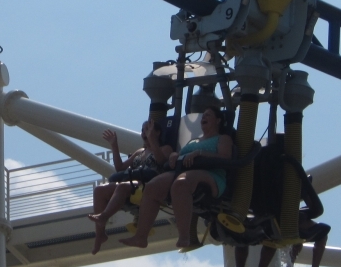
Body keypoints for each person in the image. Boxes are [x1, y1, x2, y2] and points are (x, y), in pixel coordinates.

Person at [120, 106, 233, 250]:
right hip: (183, 171)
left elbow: (226, 157)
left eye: (208, 115)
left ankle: (184, 236)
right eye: (203, 115)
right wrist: (174, 155)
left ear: (218, 121)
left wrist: (199, 153)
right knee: (152, 187)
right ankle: (141, 237)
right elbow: (179, 155)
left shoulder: (223, 139)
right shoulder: (193, 142)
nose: (203, 118)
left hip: (211, 175)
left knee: (180, 184)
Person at [88, 120, 171, 254]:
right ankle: (100, 235)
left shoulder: (165, 148)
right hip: (133, 183)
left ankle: (104, 216)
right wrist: (114, 145)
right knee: (99, 190)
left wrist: (152, 140)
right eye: (143, 130)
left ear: (157, 132)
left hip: (150, 183)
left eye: (148, 130)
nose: (145, 133)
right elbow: (120, 168)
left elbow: (162, 161)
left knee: (122, 187)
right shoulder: (139, 152)